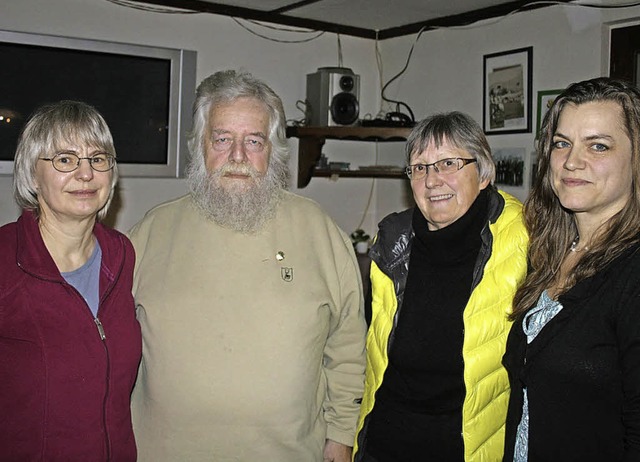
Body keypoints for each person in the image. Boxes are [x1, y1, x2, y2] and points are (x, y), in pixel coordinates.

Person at [128, 69, 367, 462]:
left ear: (272, 150)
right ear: (200, 145)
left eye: (253, 141)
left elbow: (347, 346)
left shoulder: (320, 232)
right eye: (222, 139)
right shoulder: (150, 233)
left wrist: (341, 434)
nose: (237, 156)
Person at [353, 112, 528, 462]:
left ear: (483, 173)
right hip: (385, 444)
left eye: (448, 163)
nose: (432, 180)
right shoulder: (392, 241)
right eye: (420, 167)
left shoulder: (524, 239)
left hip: (465, 449)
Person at [503, 77, 640, 461]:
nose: (572, 161)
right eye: (562, 143)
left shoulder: (632, 273)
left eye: (598, 145)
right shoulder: (548, 255)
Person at [0, 100, 141, 460]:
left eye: (98, 159)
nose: (85, 174)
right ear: (33, 174)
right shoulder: (4, 259)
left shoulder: (121, 255)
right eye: (64, 159)